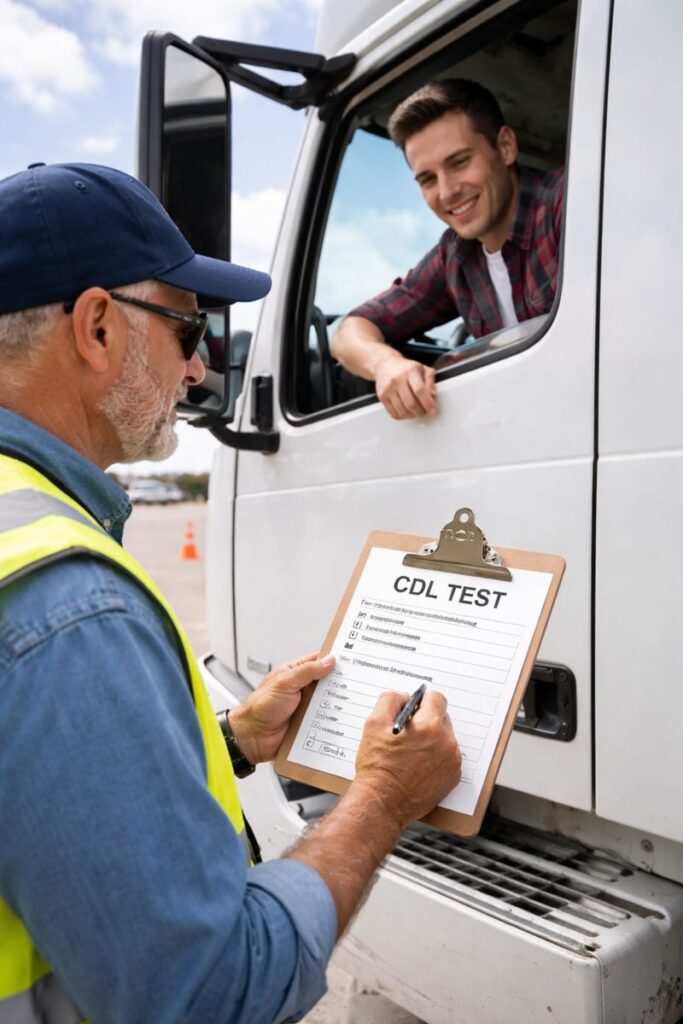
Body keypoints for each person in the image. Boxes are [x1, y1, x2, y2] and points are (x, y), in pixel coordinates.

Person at [0, 163, 461, 1024]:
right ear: (98, 328)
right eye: (188, 328)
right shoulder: (67, 605)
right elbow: (208, 996)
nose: (202, 366)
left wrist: (233, 741)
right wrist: (382, 798)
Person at [331, 78, 564, 420]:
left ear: (506, 147)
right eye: (427, 179)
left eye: (459, 162)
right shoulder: (455, 256)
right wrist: (386, 365)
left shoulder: (568, 203)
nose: (447, 191)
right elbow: (349, 331)